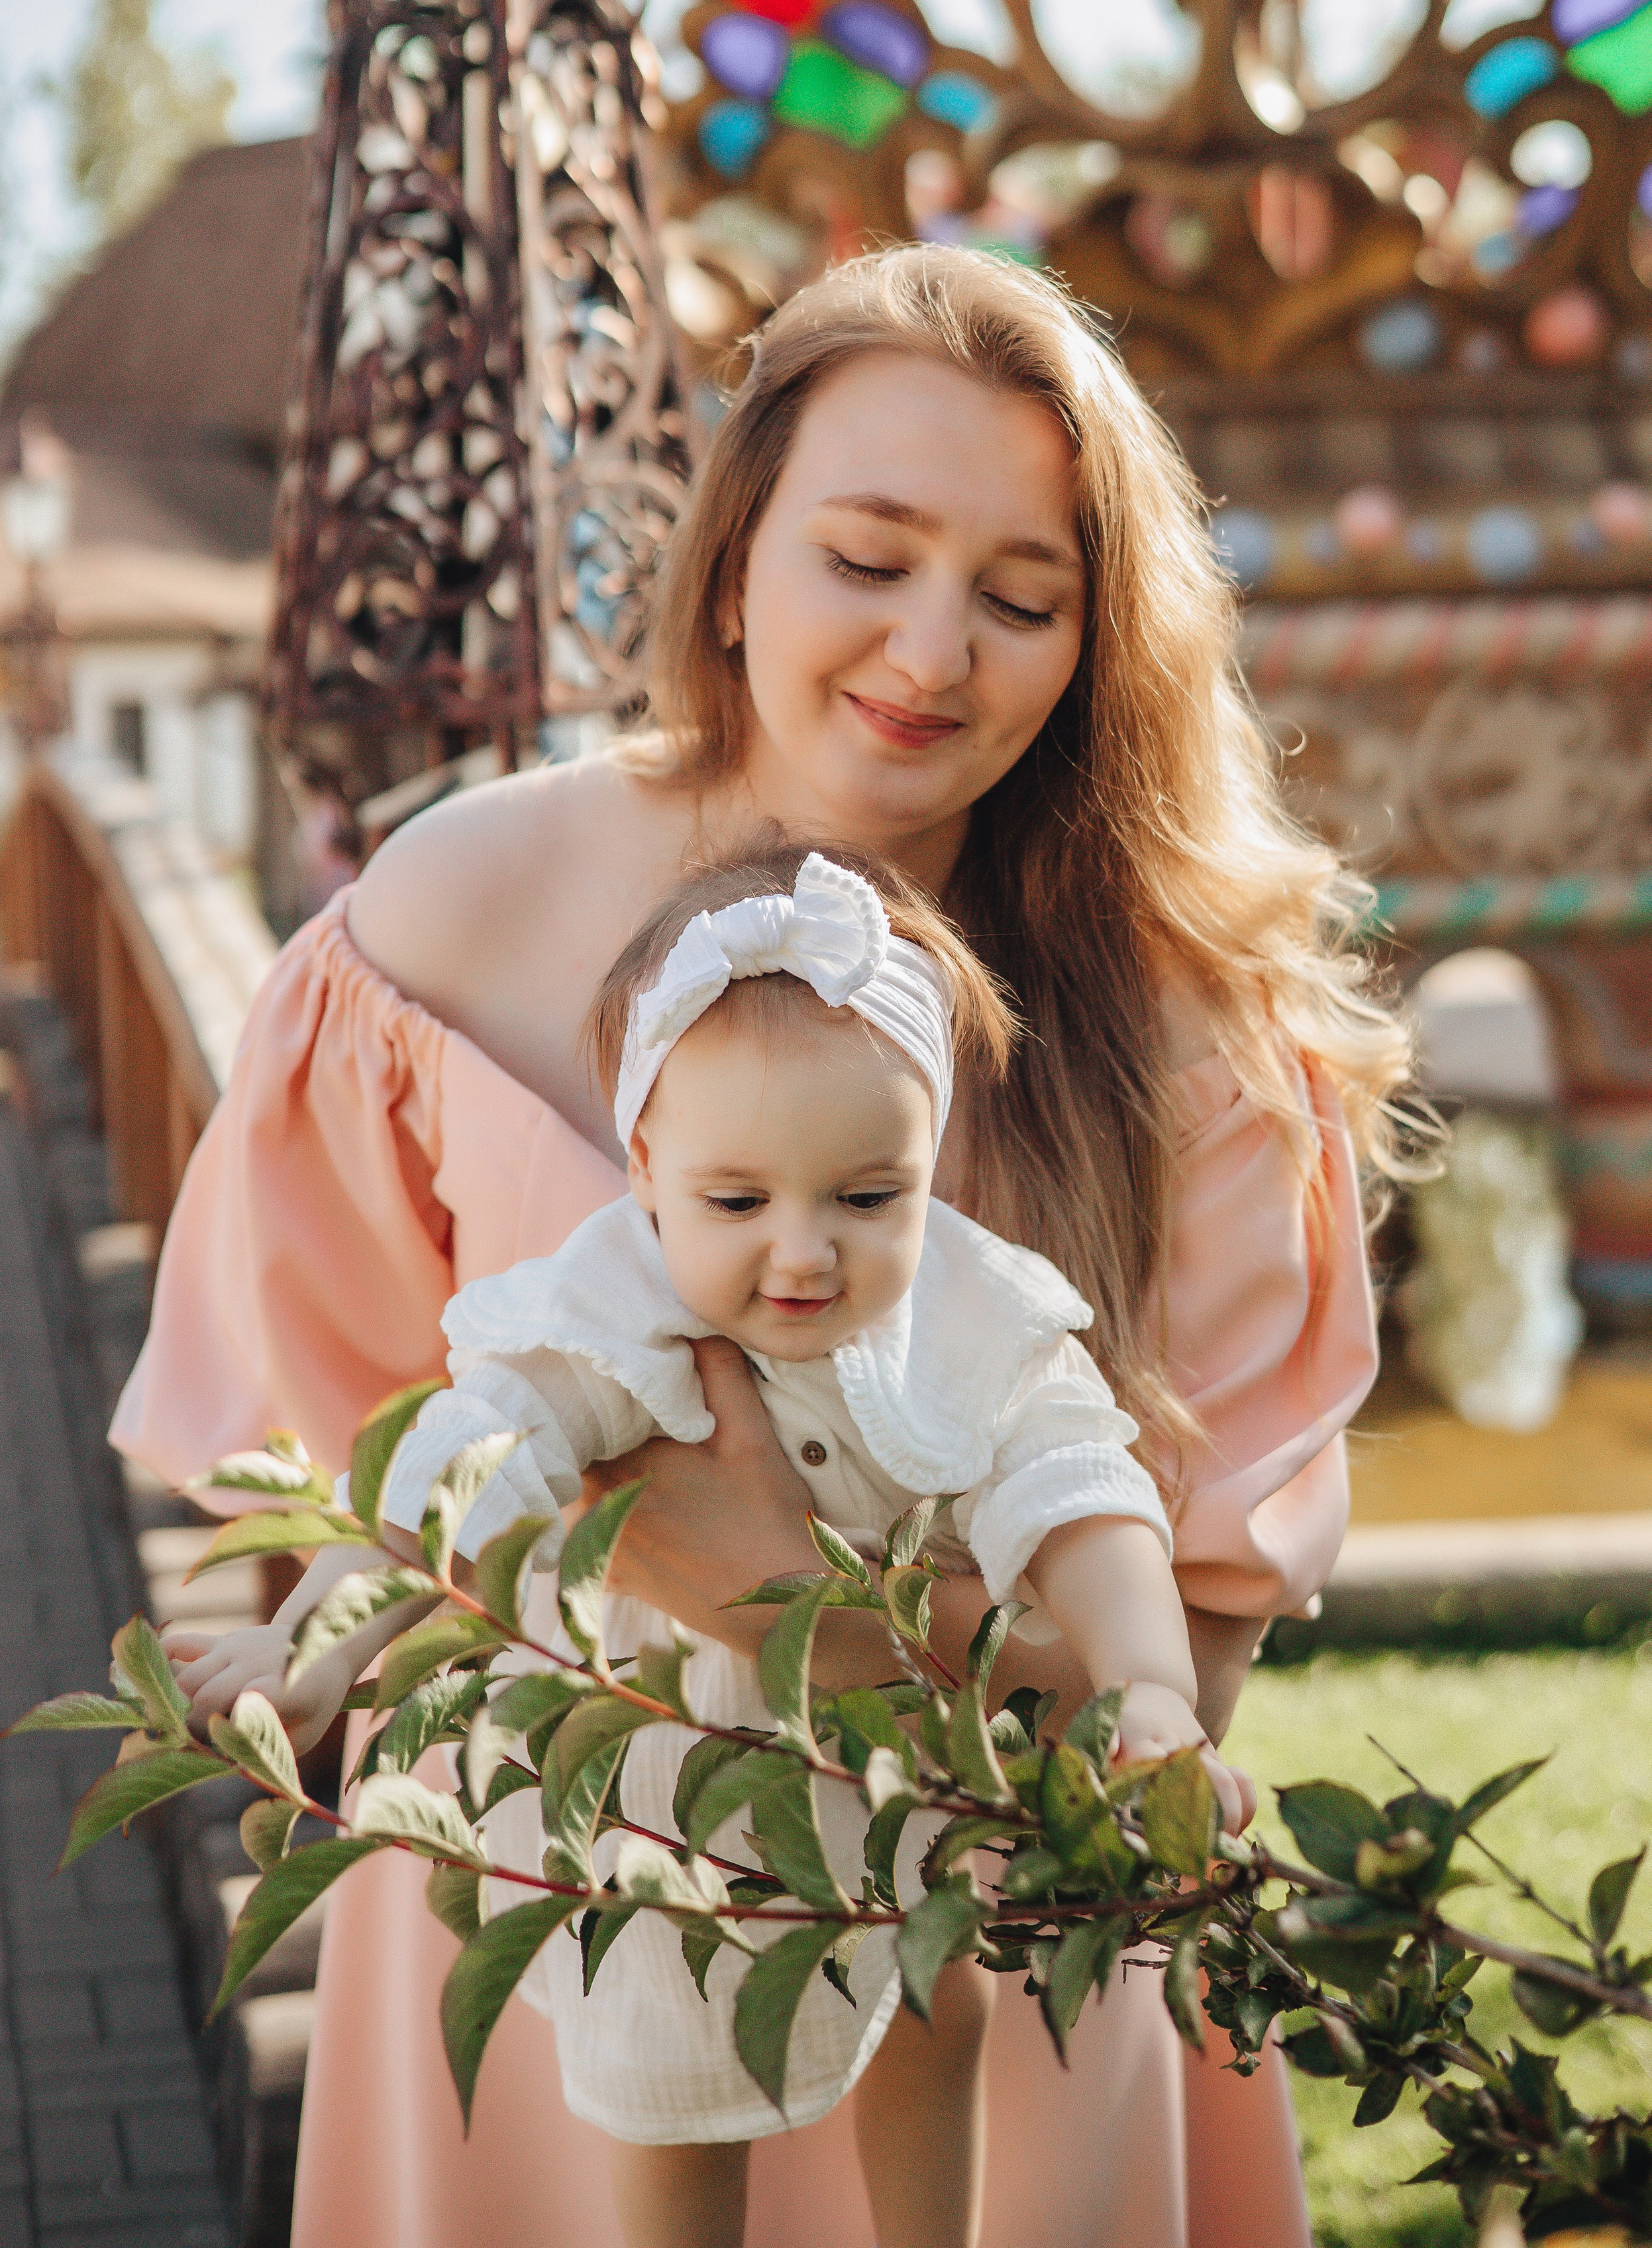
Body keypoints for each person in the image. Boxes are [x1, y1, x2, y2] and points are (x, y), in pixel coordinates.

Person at [113, 244, 1402, 2248]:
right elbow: (335, 1495)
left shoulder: (1192, 1031)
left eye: (1021, 598)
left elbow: (1180, 1679)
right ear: (730, 567)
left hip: (996, 1953)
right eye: (865, 558)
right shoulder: (447, 922)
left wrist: (755, 1575)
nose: (930, 651)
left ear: (1094, 641)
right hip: (549, 1924)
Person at [171, 842, 1259, 2246]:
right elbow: (457, 1461)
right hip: (668, 1797)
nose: (802, 1253)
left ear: (927, 1161)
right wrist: (313, 1648)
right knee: (677, 2100)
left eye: (866, 1198)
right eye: (738, 1203)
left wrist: (1147, 1684)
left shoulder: (968, 1310)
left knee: (940, 1996)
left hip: (890, 1761)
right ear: (648, 1167)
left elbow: (1077, 1489)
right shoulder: (610, 1305)